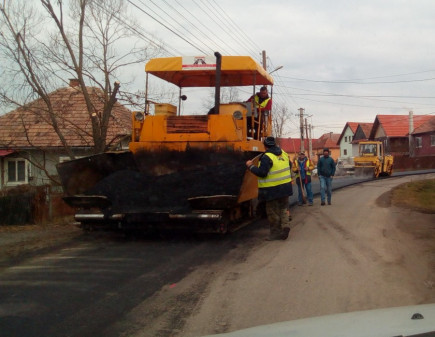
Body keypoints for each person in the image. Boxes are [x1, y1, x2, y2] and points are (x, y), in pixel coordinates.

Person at [246, 137, 293, 240]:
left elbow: (262, 173)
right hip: (285, 187)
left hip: (272, 190)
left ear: (265, 146)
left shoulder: (266, 157)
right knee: (284, 208)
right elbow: (290, 165)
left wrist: (251, 166)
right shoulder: (283, 153)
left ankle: (275, 233)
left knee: (272, 212)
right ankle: (285, 226)